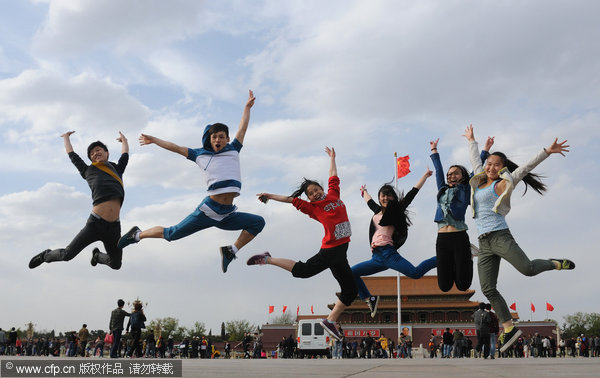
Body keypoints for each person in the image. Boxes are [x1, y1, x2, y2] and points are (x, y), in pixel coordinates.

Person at [118, 91, 265, 273]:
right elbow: (176, 147)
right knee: (172, 234)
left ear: (227, 139)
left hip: (227, 214)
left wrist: (246, 108)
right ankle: (137, 234)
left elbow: (242, 128)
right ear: (209, 141)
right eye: (214, 137)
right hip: (209, 210)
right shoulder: (200, 155)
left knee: (258, 222)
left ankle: (230, 251)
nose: (218, 140)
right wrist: (154, 140)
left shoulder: (234, 149)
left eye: (221, 136)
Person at [463, 124, 575, 354]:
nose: (491, 167)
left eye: (496, 164)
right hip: (484, 244)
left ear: (502, 167)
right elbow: (475, 160)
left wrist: (546, 151)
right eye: (489, 164)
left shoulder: (503, 183)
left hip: (500, 237)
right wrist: (472, 141)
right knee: (487, 288)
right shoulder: (478, 180)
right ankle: (509, 327)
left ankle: (554, 263)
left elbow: (525, 168)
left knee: (528, 269)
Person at [247, 147, 357, 342]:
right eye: (311, 193)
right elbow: (290, 200)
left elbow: (333, 175)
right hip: (331, 251)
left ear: (322, 189)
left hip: (341, 251)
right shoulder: (312, 208)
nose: (315, 194)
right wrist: (270, 196)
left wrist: (332, 158)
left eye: (317, 190)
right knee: (303, 272)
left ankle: (331, 320)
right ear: (309, 198)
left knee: (350, 290)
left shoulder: (334, 194)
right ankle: (268, 258)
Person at [29, 131, 129, 270]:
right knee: (67, 255)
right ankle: (45, 255)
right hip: (95, 224)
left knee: (116, 264)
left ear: (107, 153)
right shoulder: (88, 171)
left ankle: (98, 256)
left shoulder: (117, 169)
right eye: (92, 154)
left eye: (98, 150)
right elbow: (72, 155)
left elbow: (125, 155)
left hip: (113, 227)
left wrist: (124, 141)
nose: (95, 153)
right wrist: (66, 138)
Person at [352, 168, 436, 317]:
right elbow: (369, 201)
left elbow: (412, 193)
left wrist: (424, 176)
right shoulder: (377, 211)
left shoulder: (396, 210)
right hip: (376, 257)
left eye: (388, 195)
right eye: (382, 195)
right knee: (351, 272)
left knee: (415, 273)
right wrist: (364, 191)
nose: (385, 198)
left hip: (389, 253)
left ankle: (443, 257)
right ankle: (369, 298)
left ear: (392, 198)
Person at [429, 137, 492, 292]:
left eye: (455, 173)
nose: (451, 176)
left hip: (459, 237)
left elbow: (476, 168)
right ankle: (458, 261)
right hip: (442, 238)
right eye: (449, 174)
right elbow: (438, 171)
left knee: (463, 285)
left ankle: (467, 258)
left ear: (462, 176)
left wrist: (485, 150)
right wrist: (434, 151)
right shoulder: (442, 189)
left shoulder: (466, 188)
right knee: (444, 286)